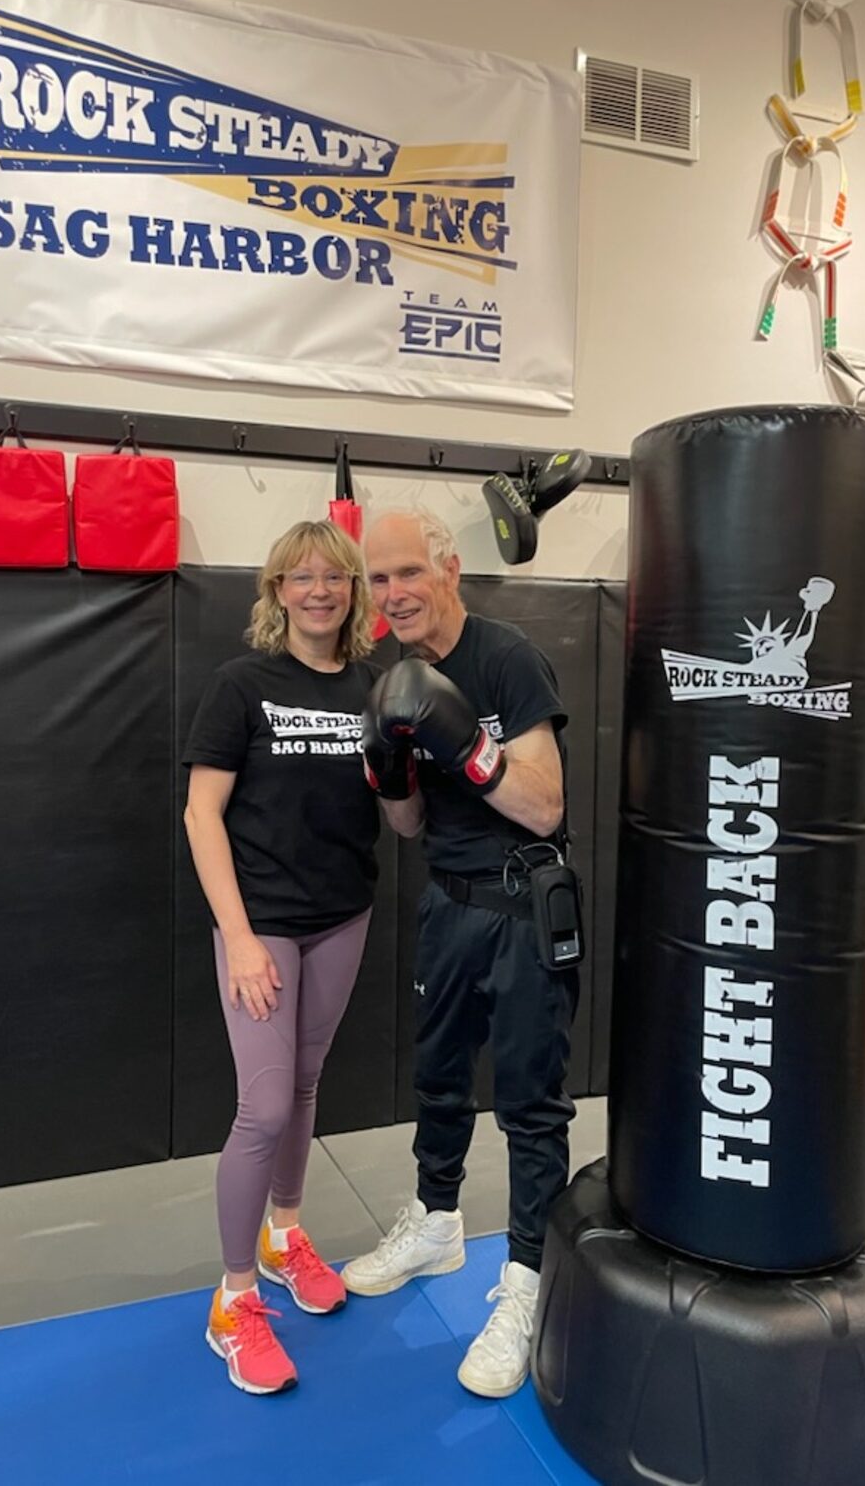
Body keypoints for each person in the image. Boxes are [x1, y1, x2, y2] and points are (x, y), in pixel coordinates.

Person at [343, 509, 579, 1399]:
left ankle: (526, 1281)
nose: (393, 593)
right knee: (439, 1076)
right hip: (448, 903)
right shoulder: (394, 675)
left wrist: (466, 746)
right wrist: (387, 769)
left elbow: (547, 808)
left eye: (407, 573)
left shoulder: (506, 658)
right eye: (379, 580)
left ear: (448, 571)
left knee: (529, 1100)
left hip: (523, 905)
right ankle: (436, 1223)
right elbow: (406, 824)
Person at [182, 520, 382, 1396]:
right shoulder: (242, 685)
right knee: (262, 1110)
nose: (317, 591)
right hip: (260, 923)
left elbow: (400, 814)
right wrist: (235, 935)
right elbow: (200, 816)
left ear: (351, 592)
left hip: (342, 915)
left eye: (332, 577)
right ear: (276, 592)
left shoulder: (377, 689)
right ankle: (231, 1303)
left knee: (303, 1086)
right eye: (299, 578)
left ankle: (284, 1236)